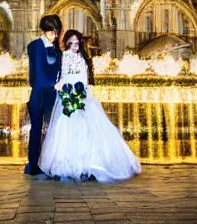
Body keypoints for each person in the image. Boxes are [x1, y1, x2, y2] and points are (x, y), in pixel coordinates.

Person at [39, 29, 141, 183]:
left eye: (76, 42)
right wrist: (62, 88)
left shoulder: (83, 57)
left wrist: (83, 92)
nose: (74, 45)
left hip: (82, 94)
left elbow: (84, 77)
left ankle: (90, 165)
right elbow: (64, 75)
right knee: (67, 129)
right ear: (66, 43)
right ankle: (70, 165)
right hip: (69, 93)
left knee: (89, 129)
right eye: (71, 42)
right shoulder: (65, 56)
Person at [24, 14, 63, 176]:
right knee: (36, 129)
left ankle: (50, 163)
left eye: (57, 33)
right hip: (39, 93)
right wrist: (54, 85)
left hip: (53, 94)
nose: (55, 36)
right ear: (45, 30)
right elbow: (38, 73)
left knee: (53, 130)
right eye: (52, 32)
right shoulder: (35, 46)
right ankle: (34, 164)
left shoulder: (56, 49)